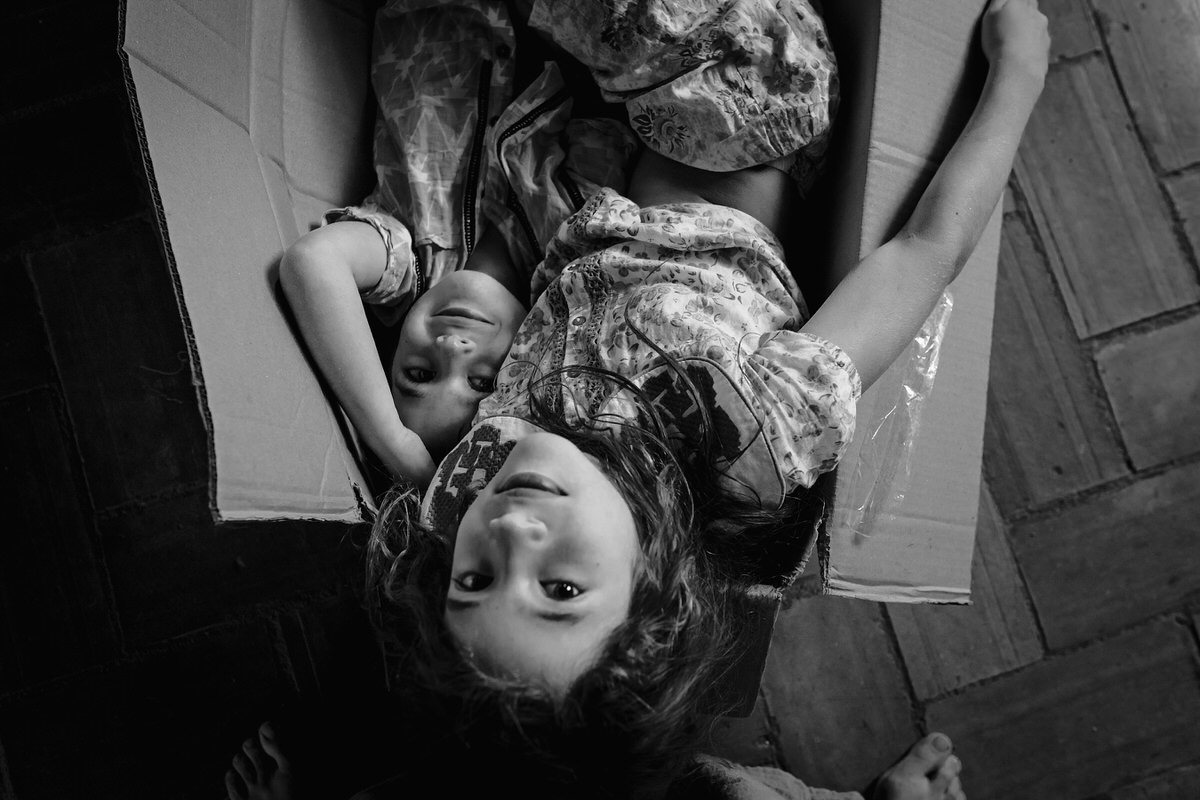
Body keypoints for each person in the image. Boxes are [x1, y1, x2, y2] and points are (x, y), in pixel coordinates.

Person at [361, 0, 1047, 794]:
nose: (510, 531)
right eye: (560, 591)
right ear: (652, 613)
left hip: (602, 170)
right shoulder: (748, 442)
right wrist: (1016, 76)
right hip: (741, 99)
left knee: (444, 104)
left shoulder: (482, 474)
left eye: (474, 580)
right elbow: (924, 252)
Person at [280, 0, 639, 486]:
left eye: (418, 373)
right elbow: (611, 100)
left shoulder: (405, 260)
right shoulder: (577, 244)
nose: (451, 346)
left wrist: (395, 443)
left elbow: (311, 261)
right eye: (481, 382)